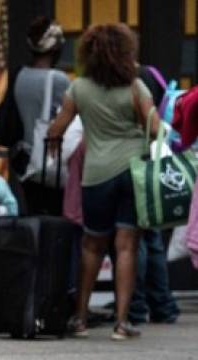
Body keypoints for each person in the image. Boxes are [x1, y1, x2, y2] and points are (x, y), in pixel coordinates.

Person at [47, 24, 158, 341]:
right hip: (133, 172)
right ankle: (122, 323)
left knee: (92, 246)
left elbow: (58, 129)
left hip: (96, 174)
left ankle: (80, 318)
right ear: (125, 52)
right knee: (127, 247)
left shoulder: (78, 88)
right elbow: (154, 125)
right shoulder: (136, 87)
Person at [128, 65, 179, 325]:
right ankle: (163, 305)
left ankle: (135, 307)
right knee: (154, 239)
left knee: (135, 240)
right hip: (153, 164)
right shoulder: (152, 75)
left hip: (134, 164)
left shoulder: (132, 82)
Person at [13, 17, 70, 216]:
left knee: (35, 220)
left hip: (25, 161)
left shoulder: (20, 75)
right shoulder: (58, 79)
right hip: (50, 161)